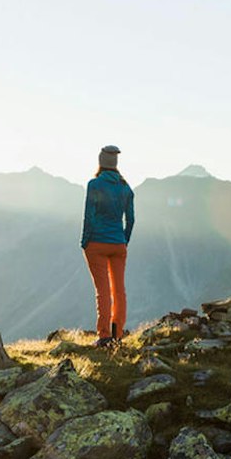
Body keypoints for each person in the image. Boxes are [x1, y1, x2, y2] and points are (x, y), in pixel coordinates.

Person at [81, 144, 135, 347]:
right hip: (118, 245)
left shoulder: (94, 185)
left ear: (101, 162)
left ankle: (104, 336)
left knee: (102, 290)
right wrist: (124, 240)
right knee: (119, 290)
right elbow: (131, 220)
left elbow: (89, 216)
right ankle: (117, 333)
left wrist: (85, 241)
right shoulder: (126, 188)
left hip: (96, 243)